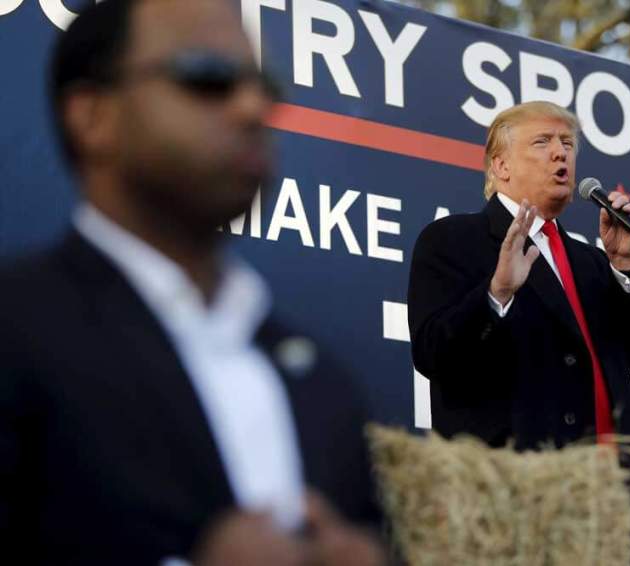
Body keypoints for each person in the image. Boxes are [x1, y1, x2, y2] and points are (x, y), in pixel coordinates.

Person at [0, 1, 385, 565]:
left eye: (266, 86)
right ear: (92, 116)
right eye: (207, 77)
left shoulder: (325, 387)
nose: (253, 107)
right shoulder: (16, 329)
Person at [407, 101, 630, 564]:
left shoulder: (594, 262)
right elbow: (434, 354)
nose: (560, 154)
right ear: (501, 165)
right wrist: (496, 294)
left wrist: (626, 266)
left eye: (567, 144)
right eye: (542, 142)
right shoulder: (452, 240)